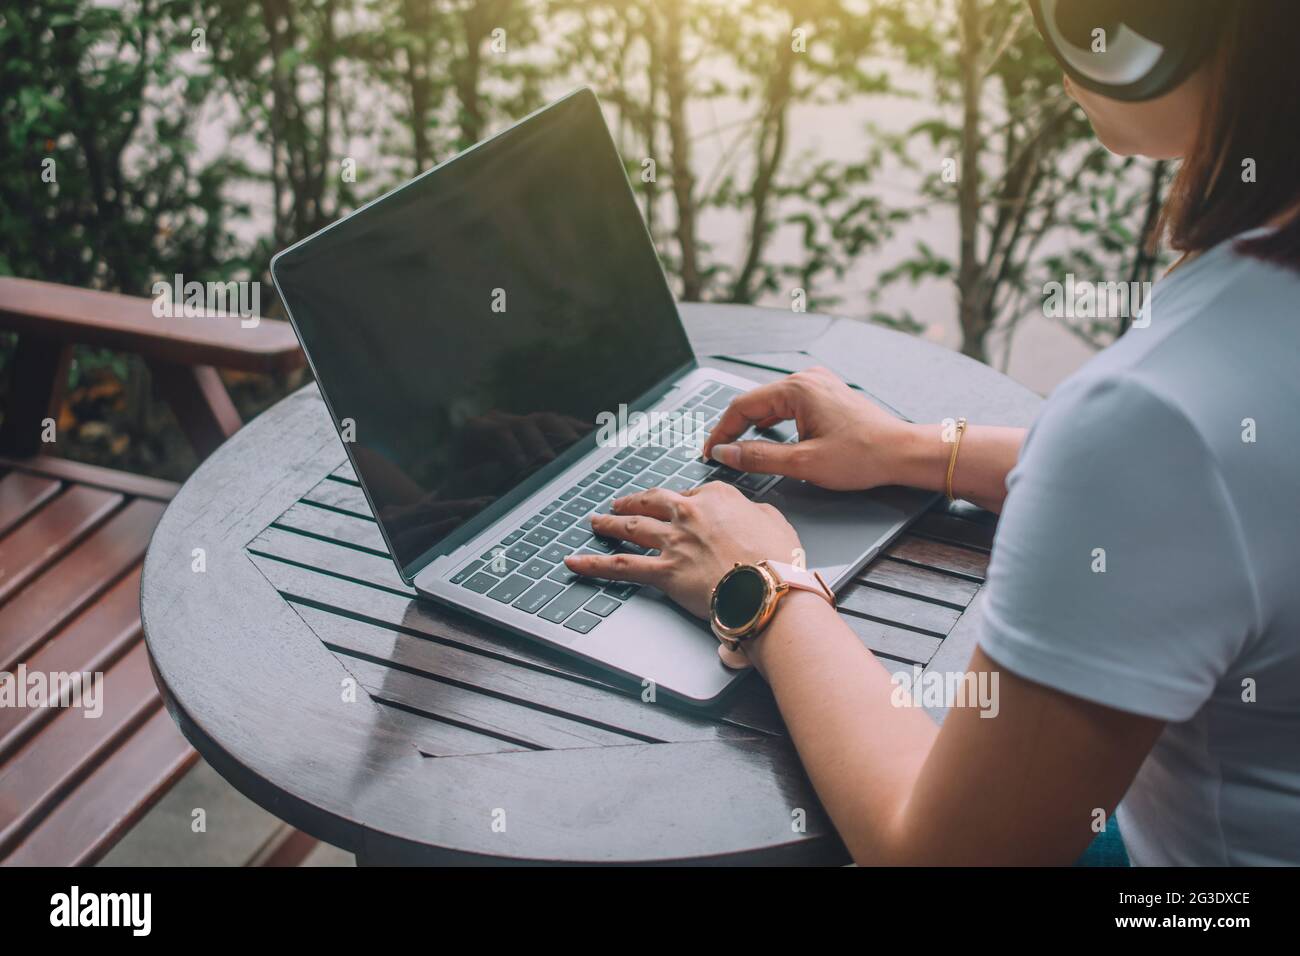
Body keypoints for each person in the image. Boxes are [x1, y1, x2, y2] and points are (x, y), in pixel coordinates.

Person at [564, 0, 1300, 865]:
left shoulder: (1155, 418)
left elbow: (939, 856)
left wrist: (761, 589)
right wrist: (916, 450)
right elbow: (1230, 488)